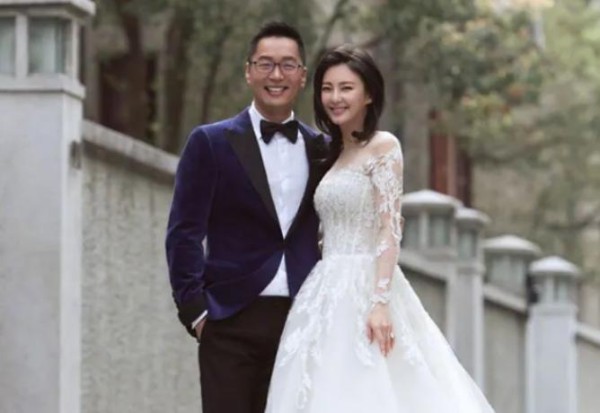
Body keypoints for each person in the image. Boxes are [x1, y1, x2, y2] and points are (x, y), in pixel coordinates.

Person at [265, 45, 496, 412]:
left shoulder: (383, 146)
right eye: (327, 88)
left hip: (366, 284)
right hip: (323, 290)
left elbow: (390, 228)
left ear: (369, 94)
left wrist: (379, 303)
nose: (335, 98)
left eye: (346, 88)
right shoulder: (330, 155)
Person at [165, 22, 329, 413]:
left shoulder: (323, 149)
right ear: (248, 71)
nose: (277, 75)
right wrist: (196, 312)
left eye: (288, 65)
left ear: (302, 76)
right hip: (230, 319)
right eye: (266, 64)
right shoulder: (210, 142)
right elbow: (184, 232)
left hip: (301, 320)